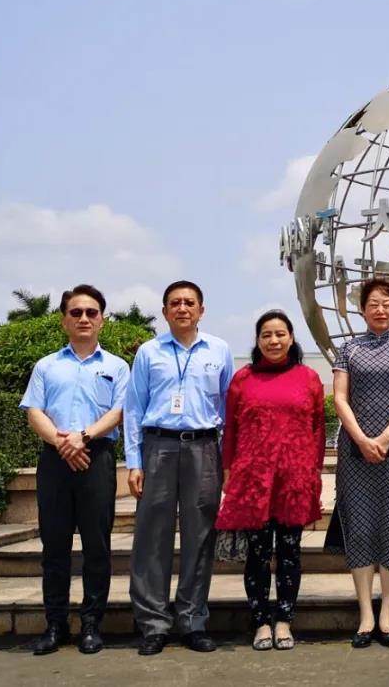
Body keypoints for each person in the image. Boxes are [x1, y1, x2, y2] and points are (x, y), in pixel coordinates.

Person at [124, 280, 234, 656]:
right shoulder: (148, 352)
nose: (182, 308)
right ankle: (153, 624)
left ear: (201, 310)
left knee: (199, 536)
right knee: (151, 537)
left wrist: (227, 459)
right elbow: (133, 409)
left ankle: (192, 620)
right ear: (165, 311)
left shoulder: (219, 350)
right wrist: (134, 461)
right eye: (175, 303)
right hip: (158, 446)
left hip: (204, 448)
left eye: (189, 302)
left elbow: (228, 408)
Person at [20, 284, 129, 655]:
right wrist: (62, 443)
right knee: (54, 545)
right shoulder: (46, 366)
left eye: (91, 312)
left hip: (97, 457)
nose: (84, 318)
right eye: (76, 312)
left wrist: (82, 437)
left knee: (97, 546)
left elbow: (119, 411)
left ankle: (91, 625)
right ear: (64, 320)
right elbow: (34, 411)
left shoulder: (117, 366)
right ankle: (55, 625)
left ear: (102, 320)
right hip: (55, 459)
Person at [215, 310, 325, 651]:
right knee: (258, 554)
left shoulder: (309, 378)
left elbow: (318, 430)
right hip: (254, 480)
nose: (273, 340)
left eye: (280, 334)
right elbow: (230, 430)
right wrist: (228, 472)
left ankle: (284, 621)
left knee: (290, 552)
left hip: (293, 479)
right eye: (266, 335)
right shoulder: (242, 379)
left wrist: (314, 473)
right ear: (258, 340)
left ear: (291, 338)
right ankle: (261, 621)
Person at [327, 279, 389, 648]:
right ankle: (366, 614)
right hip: (355, 451)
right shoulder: (348, 349)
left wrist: (384, 437)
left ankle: (387, 615)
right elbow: (340, 398)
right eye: (373, 304)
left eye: (386, 304)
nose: (380, 310)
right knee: (360, 525)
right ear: (362, 309)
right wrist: (362, 439)